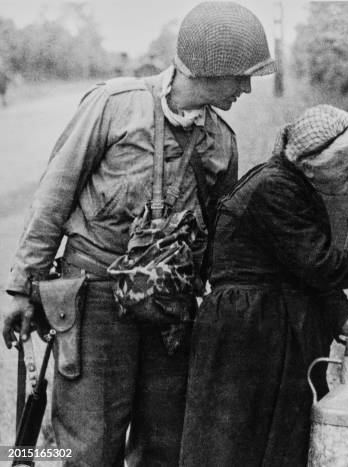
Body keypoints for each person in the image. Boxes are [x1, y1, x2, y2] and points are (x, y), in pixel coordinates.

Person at [2, 2, 275, 465]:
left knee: (164, 446)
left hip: (169, 310)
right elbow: (54, 196)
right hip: (94, 300)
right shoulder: (114, 104)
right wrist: (22, 288)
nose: (247, 88)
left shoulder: (222, 142)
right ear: (208, 69)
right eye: (240, 76)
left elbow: (216, 241)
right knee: (85, 448)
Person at [179, 105, 348, 467]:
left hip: (266, 324)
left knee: (279, 442)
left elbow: (305, 269)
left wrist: (346, 322)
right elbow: (320, 265)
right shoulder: (275, 187)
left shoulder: (295, 184)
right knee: (234, 444)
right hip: (245, 332)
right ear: (313, 164)